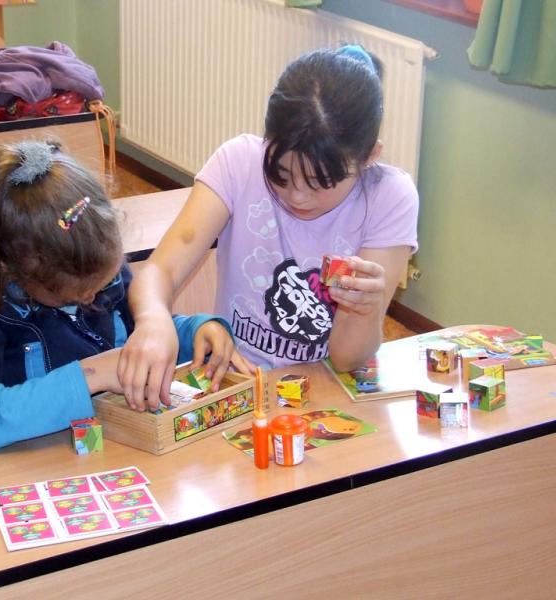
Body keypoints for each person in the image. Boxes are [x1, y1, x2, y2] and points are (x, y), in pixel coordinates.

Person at [119, 45, 419, 411]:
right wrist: (153, 319)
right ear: (267, 140)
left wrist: (365, 310)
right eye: (280, 173)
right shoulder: (239, 162)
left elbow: (345, 360)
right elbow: (160, 270)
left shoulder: (389, 196)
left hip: (323, 391)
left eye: (320, 181)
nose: (297, 195)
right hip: (236, 384)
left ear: (369, 156)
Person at [0, 139, 235, 453]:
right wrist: (93, 375)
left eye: (104, 282)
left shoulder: (92, 255)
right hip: (30, 464)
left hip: (112, 448)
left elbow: (138, 336)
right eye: (77, 296)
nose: (92, 297)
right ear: (14, 270)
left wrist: (192, 333)